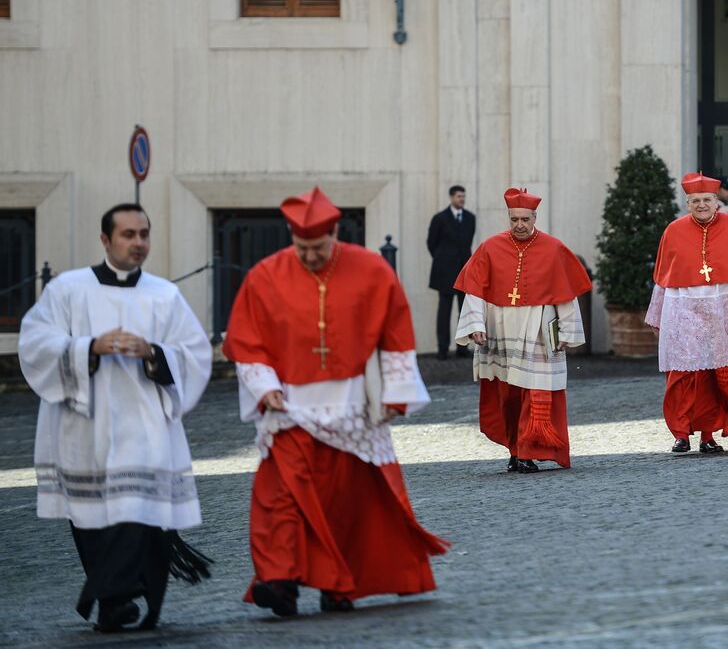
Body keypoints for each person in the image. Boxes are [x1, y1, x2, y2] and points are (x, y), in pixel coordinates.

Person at [223, 187, 448, 616]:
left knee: (342, 504)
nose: (309, 257)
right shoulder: (265, 275)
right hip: (288, 404)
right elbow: (246, 340)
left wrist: (396, 394)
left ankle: (337, 586)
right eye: (301, 248)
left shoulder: (372, 269)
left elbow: (396, 331)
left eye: (318, 248)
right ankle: (280, 580)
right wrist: (263, 385)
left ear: (335, 234)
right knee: (279, 496)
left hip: (351, 402)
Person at [19, 204, 213, 633]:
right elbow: (35, 343)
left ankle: (108, 594)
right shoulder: (68, 289)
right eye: (128, 234)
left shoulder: (165, 294)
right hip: (83, 423)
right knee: (91, 518)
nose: (138, 243)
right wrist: (88, 347)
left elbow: (196, 354)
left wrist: (154, 353)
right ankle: (112, 604)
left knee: (137, 511)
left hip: (146, 423)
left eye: (144, 234)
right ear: (105, 240)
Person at [454, 188, 593, 472]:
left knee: (536, 391)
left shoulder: (553, 248)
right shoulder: (490, 247)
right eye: (514, 219)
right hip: (500, 327)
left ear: (534, 218)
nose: (519, 224)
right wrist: (475, 325)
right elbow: (475, 291)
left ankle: (529, 451)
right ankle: (516, 450)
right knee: (509, 395)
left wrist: (567, 331)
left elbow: (565, 294)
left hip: (539, 329)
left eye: (525, 219)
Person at [647, 173, 728, 453]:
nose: (701, 205)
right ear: (688, 203)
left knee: (714, 378)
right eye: (695, 201)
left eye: (707, 200)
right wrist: (655, 316)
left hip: (722, 311)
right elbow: (663, 278)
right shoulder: (673, 230)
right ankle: (680, 434)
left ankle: (707, 436)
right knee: (682, 377)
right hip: (682, 310)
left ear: (716, 202)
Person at [428, 185, 476, 360]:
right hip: (444, 272)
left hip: (464, 271)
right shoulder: (439, 219)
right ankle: (442, 348)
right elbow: (431, 243)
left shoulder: (470, 218)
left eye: (463, 196)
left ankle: (462, 348)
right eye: (458, 196)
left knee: (464, 311)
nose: (461, 199)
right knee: (444, 311)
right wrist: (443, 260)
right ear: (451, 198)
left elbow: (468, 242)